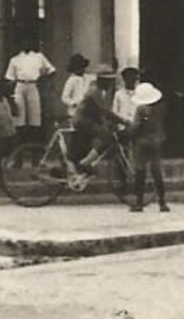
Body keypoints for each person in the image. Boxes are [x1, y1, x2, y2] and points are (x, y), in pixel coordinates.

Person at [125, 80, 170, 214]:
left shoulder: (141, 109)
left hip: (142, 142)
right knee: (156, 172)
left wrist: (128, 133)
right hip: (157, 141)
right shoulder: (161, 108)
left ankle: (139, 203)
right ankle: (162, 202)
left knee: (140, 171)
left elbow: (135, 127)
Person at [69, 63, 120, 169]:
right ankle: (85, 164)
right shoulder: (95, 91)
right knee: (107, 138)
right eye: (109, 80)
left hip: (88, 120)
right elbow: (104, 111)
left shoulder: (98, 89)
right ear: (102, 80)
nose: (110, 83)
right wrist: (122, 120)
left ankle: (83, 163)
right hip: (83, 120)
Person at [3, 36, 56, 136]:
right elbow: (9, 78)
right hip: (20, 85)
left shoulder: (39, 57)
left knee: (34, 113)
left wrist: (44, 80)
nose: (26, 44)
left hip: (33, 84)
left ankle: (34, 138)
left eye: (28, 41)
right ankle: (21, 139)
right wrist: (10, 95)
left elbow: (52, 70)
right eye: (24, 42)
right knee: (19, 114)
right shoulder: (15, 59)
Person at [58, 53, 90, 122]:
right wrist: (73, 103)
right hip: (75, 111)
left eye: (82, 67)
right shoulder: (71, 80)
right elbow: (64, 97)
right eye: (78, 67)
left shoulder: (88, 78)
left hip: (87, 111)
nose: (81, 69)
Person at [111, 65, 141, 136]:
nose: (130, 81)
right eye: (128, 78)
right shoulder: (118, 94)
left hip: (137, 128)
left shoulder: (140, 94)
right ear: (124, 79)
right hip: (122, 128)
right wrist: (123, 122)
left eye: (133, 79)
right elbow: (115, 112)